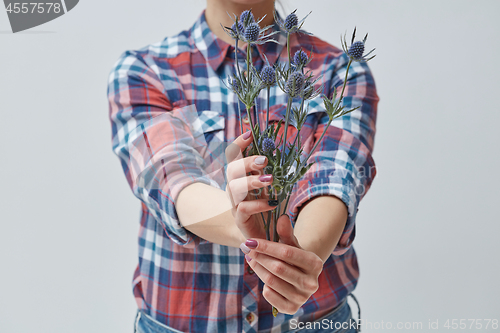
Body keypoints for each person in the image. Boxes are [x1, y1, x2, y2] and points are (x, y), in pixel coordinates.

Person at [107, 0, 378, 332]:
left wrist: (299, 262)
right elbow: (171, 180)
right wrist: (247, 225)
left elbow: (334, 179)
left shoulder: (341, 70)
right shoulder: (144, 70)